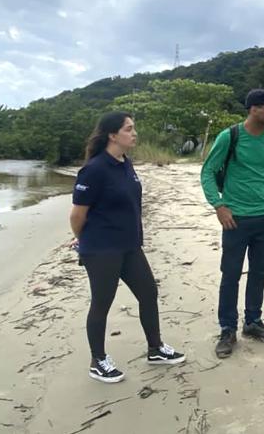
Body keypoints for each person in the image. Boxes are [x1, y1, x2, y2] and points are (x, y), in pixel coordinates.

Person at [70, 111, 185, 383]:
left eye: (134, 128)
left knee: (148, 293)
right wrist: (83, 238)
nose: (134, 133)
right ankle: (98, 361)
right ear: (112, 135)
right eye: (129, 129)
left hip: (130, 246)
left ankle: (155, 349)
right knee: (102, 303)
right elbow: (77, 215)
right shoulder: (94, 169)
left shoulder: (125, 163)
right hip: (102, 249)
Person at [200, 89, 264, 358]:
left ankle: (252, 322)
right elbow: (207, 171)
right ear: (253, 109)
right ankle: (227, 329)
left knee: (259, 272)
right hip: (235, 219)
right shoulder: (230, 136)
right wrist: (218, 206)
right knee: (230, 274)